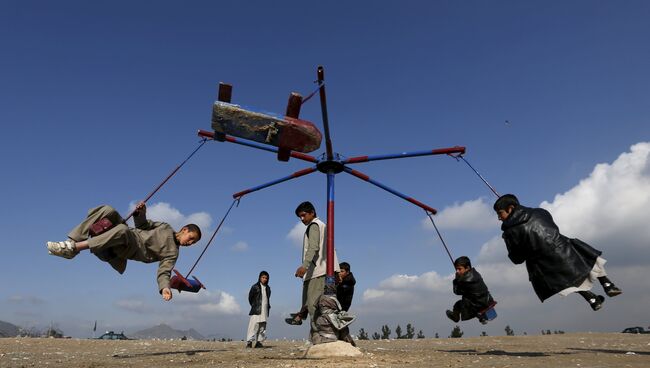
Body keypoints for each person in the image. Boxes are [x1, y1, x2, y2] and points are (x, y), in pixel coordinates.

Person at [46, 202, 201, 301]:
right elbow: (143, 226)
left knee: (122, 230)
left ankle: (74, 248)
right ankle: (71, 243)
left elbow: (164, 272)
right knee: (108, 210)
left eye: (193, 242)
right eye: (191, 238)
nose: (191, 243)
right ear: (184, 229)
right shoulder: (165, 227)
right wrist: (141, 213)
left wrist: (165, 288)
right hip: (130, 233)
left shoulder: (173, 253)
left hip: (129, 248)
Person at [494, 194, 622, 311]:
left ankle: (592, 299)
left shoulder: (509, 233)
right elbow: (554, 228)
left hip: (545, 265)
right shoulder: (540, 212)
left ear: (510, 209)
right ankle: (607, 284)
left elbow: (517, 259)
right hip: (564, 250)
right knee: (588, 259)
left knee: (568, 282)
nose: (499, 218)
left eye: (500, 213)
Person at [286, 201, 339, 330]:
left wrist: (304, 266)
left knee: (314, 306)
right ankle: (302, 316)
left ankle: (318, 335)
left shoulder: (314, 226)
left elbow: (314, 247)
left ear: (312, 213)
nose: (301, 219)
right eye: (300, 217)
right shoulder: (323, 226)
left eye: (303, 215)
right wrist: (336, 269)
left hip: (318, 271)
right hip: (323, 270)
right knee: (313, 303)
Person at [445, 256, 495, 324]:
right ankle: (481, 317)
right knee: (469, 299)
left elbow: (456, 291)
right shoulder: (476, 273)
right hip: (487, 300)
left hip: (477, 305)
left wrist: (456, 280)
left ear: (467, 268)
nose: (457, 271)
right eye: (456, 269)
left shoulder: (465, 280)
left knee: (458, 304)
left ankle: (455, 317)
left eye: (459, 269)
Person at [246, 270, 271, 348]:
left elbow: (268, 297)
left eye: (266, 278)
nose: (264, 279)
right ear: (260, 278)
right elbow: (250, 298)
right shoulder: (255, 286)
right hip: (256, 309)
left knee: (262, 326)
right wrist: (254, 306)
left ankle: (259, 342)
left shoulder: (268, 288)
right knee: (253, 326)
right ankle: (249, 342)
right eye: (263, 277)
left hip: (265, 310)